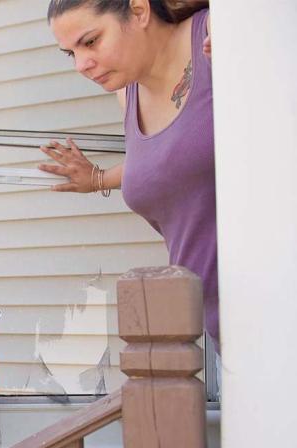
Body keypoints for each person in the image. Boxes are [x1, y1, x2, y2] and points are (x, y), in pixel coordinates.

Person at [40, 0, 218, 343]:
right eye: (70, 53)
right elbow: (177, 160)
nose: (81, 65)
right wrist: (100, 179)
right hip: (226, 328)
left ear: (139, 10)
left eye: (90, 42)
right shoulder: (128, 91)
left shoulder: (217, 34)